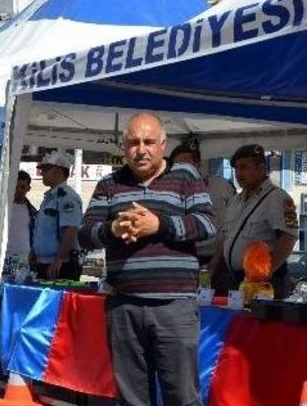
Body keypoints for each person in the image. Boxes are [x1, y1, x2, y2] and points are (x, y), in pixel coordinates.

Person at [79, 113, 217, 405]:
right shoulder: (109, 184)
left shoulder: (185, 176)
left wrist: (160, 225)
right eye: (133, 142)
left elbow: (207, 225)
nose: (141, 149)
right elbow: (85, 234)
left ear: (163, 145)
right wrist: (113, 229)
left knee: (182, 396)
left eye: (149, 142)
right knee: (131, 399)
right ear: (123, 145)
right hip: (124, 306)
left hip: (175, 307)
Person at [210, 144, 298, 299]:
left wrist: (266, 272)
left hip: (266, 282)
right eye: (236, 168)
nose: (238, 173)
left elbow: (289, 237)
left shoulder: (277, 198)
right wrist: (212, 269)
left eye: (243, 167)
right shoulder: (236, 199)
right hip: (235, 279)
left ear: (261, 168)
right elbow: (225, 237)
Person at [170, 137, 236, 261]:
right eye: (177, 166)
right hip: (187, 257)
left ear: (198, 164)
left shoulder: (221, 185)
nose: (182, 171)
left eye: (187, 165)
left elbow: (236, 218)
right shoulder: (169, 195)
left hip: (220, 256)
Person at [30, 151, 83, 280]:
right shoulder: (50, 198)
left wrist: (59, 259)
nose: (42, 172)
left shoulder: (66, 197)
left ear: (59, 171)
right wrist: (34, 253)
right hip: (46, 263)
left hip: (61, 265)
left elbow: (71, 230)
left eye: (46, 169)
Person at [7, 170, 37, 265]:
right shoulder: (0, 209)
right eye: (16, 187)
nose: (19, 190)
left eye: (23, 187)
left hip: (25, 258)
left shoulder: (34, 213)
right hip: (3, 256)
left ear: (29, 188)